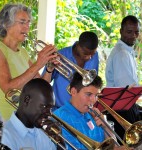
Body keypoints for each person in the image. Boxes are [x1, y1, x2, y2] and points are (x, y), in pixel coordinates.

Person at [0, 3, 57, 120]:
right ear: (6, 24)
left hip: (20, 120)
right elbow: (8, 89)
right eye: (22, 22)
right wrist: (38, 64)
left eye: (28, 23)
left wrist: (49, 68)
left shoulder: (23, 52)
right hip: (1, 121)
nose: (27, 27)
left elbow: (41, 86)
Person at [54, 72, 128, 150]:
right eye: (88, 94)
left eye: (96, 95)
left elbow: (112, 146)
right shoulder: (60, 119)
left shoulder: (92, 114)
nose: (93, 100)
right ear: (73, 92)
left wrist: (105, 126)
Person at [105, 15, 141, 143]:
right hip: (122, 108)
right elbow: (127, 90)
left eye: (136, 32)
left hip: (125, 105)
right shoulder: (122, 54)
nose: (133, 36)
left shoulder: (126, 51)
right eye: (129, 32)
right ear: (121, 31)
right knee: (130, 144)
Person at [1, 78, 64, 150]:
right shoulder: (4, 136)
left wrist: (60, 142)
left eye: (50, 109)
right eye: (44, 106)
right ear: (27, 100)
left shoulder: (43, 134)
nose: (49, 114)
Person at [42, 31, 99, 109]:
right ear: (78, 46)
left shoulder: (95, 56)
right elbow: (43, 84)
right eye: (85, 54)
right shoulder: (59, 55)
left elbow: (93, 83)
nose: (89, 57)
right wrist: (49, 69)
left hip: (83, 110)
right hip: (59, 110)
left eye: (92, 54)